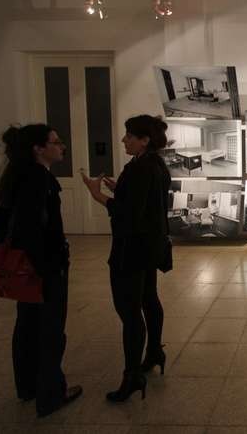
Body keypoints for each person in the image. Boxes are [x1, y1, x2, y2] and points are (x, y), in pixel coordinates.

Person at [0, 124, 82, 417]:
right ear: (38, 149)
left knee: (27, 326)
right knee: (50, 331)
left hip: (27, 268)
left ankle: (28, 386)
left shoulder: (18, 176)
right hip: (43, 269)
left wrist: (19, 255)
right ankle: (51, 395)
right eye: (56, 142)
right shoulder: (39, 179)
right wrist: (46, 265)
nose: (62, 146)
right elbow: (33, 228)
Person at [81, 115, 171, 402]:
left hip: (131, 249)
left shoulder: (141, 168)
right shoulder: (155, 164)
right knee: (149, 299)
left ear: (144, 140)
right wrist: (119, 188)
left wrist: (97, 194)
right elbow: (143, 202)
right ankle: (154, 351)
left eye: (129, 136)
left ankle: (132, 376)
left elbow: (129, 214)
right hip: (149, 247)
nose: (123, 140)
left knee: (130, 312)